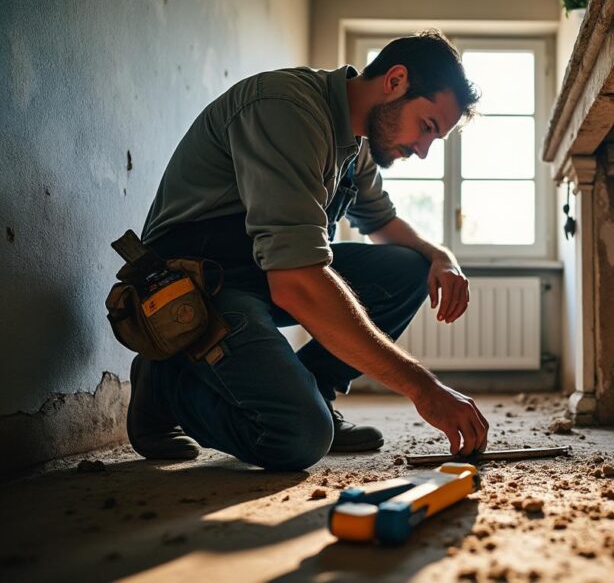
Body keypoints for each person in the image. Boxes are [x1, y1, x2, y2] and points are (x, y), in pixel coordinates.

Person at [128, 30, 490, 471]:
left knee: (409, 267)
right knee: (298, 435)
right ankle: (164, 385)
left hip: (260, 273)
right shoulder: (286, 109)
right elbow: (296, 284)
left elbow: (382, 223)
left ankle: (315, 390)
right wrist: (424, 389)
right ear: (395, 81)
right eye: (427, 127)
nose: (423, 150)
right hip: (194, 283)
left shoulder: (358, 142)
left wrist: (441, 256)